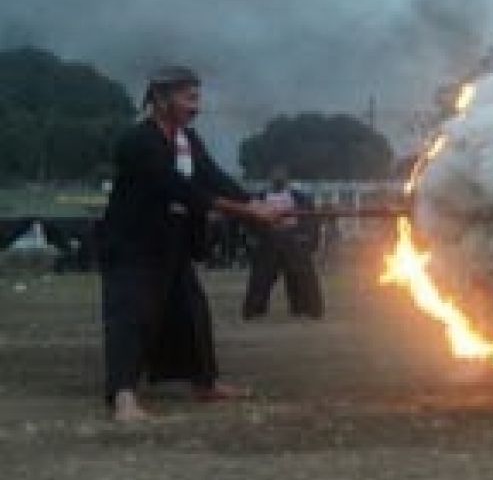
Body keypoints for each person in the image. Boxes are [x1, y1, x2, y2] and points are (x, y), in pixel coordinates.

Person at [98, 66, 283, 422]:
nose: (195, 107)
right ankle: (123, 398)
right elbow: (179, 188)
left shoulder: (188, 141)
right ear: (162, 99)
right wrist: (246, 211)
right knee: (131, 317)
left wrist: (255, 202)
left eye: (196, 98)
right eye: (189, 98)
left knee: (192, 312)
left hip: (173, 243)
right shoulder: (138, 142)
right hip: (133, 245)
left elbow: (212, 177)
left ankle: (205, 383)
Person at [242, 166, 324, 319]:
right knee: (260, 278)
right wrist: (252, 240)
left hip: (293, 240)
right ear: (270, 177)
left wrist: (309, 240)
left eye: (281, 175)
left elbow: (311, 220)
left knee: (303, 277)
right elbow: (249, 221)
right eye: (275, 175)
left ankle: (307, 309)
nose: (278, 178)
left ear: (287, 178)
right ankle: (253, 310)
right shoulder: (259, 198)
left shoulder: (301, 198)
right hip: (268, 241)